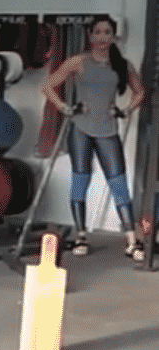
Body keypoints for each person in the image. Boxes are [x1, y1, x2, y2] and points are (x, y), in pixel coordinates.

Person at [42, 14, 145, 257]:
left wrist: (125, 110)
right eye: (97, 32)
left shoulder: (122, 65)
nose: (102, 37)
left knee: (118, 182)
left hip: (107, 129)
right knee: (81, 180)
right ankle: (81, 237)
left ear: (113, 36)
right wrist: (65, 108)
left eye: (107, 32)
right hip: (81, 128)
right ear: (90, 36)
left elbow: (140, 92)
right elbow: (48, 84)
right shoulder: (78, 62)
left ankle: (132, 242)